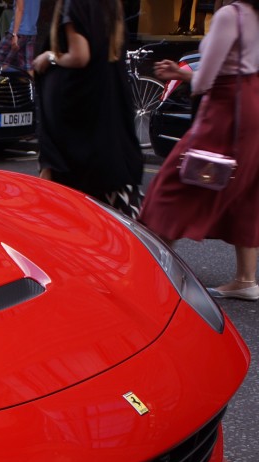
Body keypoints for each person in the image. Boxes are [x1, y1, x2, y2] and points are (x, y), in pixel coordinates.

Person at [139, 0, 258, 299]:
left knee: (174, 182)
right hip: (252, 105)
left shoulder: (230, 15)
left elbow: (208, 77)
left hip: (226, 108)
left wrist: (184, 77)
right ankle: (246, 279)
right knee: (243, 189)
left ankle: (152, 270)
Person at [31, 0, 143, 216]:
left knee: (61, 192)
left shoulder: (74, 4)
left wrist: (49, 56)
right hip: (106, 111)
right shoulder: (111, 5)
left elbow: (80, 56)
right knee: (105, 204)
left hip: (74, 116)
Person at [0, 0, 40, 70]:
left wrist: (14, 34)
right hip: (31, 31)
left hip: (19, 31)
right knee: (28, 67)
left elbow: (20, 9)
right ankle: (31, 81)